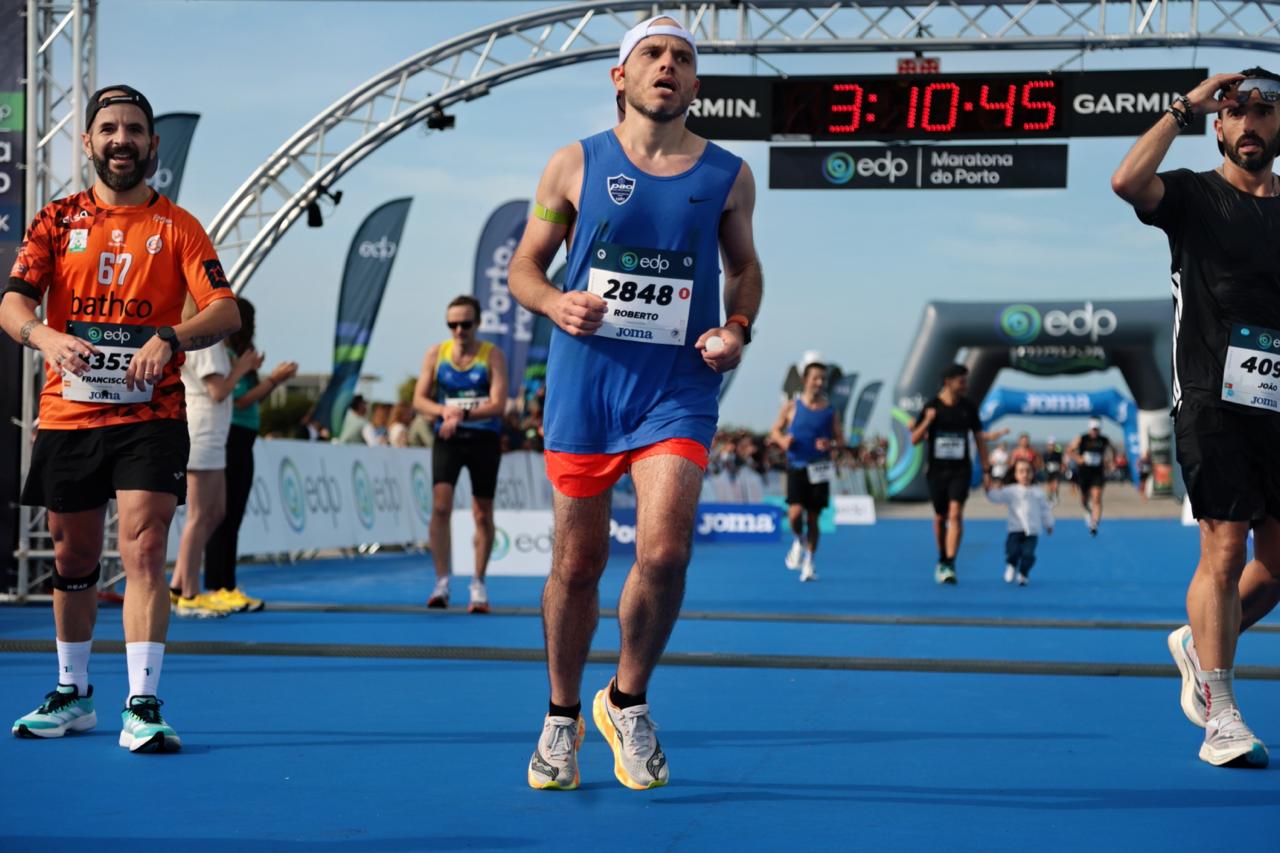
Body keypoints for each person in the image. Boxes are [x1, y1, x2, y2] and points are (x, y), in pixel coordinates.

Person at [509, 15, 761, 791]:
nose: (668, 65)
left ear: (696, 84)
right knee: (577, 564)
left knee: (664, 551)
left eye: (683, 58)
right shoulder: (573, 165)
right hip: (586, 388)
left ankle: (626, 698)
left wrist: (736, 327)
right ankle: (560, 717)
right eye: (651, 54)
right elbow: (525, 267)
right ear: (619, 77)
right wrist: (554, 303)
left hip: (677, 389)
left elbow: (745, 268)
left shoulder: (726, 174)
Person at [3, 85, 241, 751]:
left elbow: (225, 310)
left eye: (134, 129)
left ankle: (143, 702)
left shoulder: (179, 226)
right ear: (88, 141)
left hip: (151, 413)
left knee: (143, 547)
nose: (121, 139)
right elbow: (13, 303)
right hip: (69, 412)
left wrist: (172, 334)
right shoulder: (54, 220)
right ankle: (73, 692)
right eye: (108, 127)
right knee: (73, 553)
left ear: (152, 145)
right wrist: (46, 338)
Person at [1112, 67, 1280, 767]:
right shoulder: (1191, 194)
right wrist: (1184, 105)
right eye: (1236, 113)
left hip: (1276, 402)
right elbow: (1126, 181)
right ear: (1219, 125)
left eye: (1264, 112)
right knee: (1224, 546)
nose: (1249, 124)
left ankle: (1195, 638)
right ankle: (1221, 711)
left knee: (1274, 570)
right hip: (1211, 395)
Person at [412, 295, 508, 614]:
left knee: (482, 513)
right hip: (448, 439)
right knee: (441, 507)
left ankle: (478, 583)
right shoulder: (435, 354)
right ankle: (442, 581)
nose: (458, 331)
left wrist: (462, 415)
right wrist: (444, 411)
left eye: (465, 324)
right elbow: (418, 400)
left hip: (482, 439)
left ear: (477, 324)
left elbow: (498, 404)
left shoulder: (491, 355)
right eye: (452, 324)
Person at [202, 297, 297, 613]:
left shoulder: (237, 357)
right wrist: (273, 380)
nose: (252, 326)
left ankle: (225, 582)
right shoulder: (226, 356)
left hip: (243, 438)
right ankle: (218, 584)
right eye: (249, 320)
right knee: (223, 515)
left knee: (232, 514)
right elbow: (239, 400)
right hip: (231, 436)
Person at [169, 297, 257, 619]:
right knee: (200, 514)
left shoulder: (210, 340)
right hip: (203, 431)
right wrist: (242, 369)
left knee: (215, 511)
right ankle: (189, 592)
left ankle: (180, 584)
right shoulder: (204, 340)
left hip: (214, 434)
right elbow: (218, 391)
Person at [910, 364, 989, 584]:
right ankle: (942, 556)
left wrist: (986, 468)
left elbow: (980, 438)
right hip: (937, 471)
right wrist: (927, 420)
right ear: (948, 382)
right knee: (940, 518)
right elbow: (914, 439)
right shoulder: (931, 406)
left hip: (960, 470)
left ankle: (950, 562)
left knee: (955, 514)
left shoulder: (968, 407)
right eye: (961, 381)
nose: (965, 385)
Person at [769, 361, 842, 582]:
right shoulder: (792, 407)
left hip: (819, 468)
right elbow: (774, 431)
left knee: (813, 517)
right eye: (816, 378)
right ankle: (799, 540)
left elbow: (841, 440)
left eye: (823, 379)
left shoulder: (830, 411)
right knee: (794, 514)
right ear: (805, 380)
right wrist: (783, 441)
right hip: (797, 466)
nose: (820, 383)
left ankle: (810, 561)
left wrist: (829, 444)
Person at [985, 458, 1054, 586]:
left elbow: (1045, 509)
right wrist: (988, 489)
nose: (1025, 474)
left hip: (1032, 531)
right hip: (1015, 529)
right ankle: (1011, 565)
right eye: (1021, 471)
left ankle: (1023, 573)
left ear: (1032, 473)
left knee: (1028, 555)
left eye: (1028, 471)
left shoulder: (1038, 492)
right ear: (1015, 474)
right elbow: (996, 497)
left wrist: (1049, 524)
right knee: (1012, 552)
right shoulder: (1010, 491)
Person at [1066, 418, 1113, 536]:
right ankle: (1087, 510)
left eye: (1097, 430)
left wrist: (1110, 461)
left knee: (1097, 498)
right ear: (1089, 429)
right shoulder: (1082, 438)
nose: (1095, 432)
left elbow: (1113, 450)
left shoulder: (1104, 440)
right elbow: (1069, 450)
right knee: (1084, 499)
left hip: (1097, 473)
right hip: (1084, 473)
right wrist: (1078, 459)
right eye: (1093, 429)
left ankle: (1094, 523)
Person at [1042, 436, 1064, 503]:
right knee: (1049, 485)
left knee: (1056, 484)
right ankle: (1050, 496)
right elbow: (1043, 463)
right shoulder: (1045, 454)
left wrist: (1062, 468)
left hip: (1056, 471)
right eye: (1050, 445)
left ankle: (1055, 496)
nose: (1051, 446)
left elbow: (1061, 462)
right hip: (1048, 471)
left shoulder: (1058, 453)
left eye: (1052, 445)